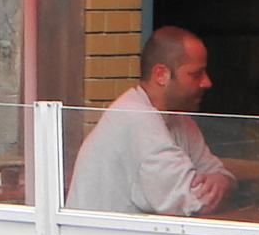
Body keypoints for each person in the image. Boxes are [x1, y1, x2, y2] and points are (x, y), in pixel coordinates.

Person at [67, 27, 235, 217]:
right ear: (161, 74)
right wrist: (217, 186)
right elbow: (194, 202)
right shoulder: (136, 118)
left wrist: (221, 181)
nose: (207, 82)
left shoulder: (180, 120)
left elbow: (220, 174)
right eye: (195, 74)